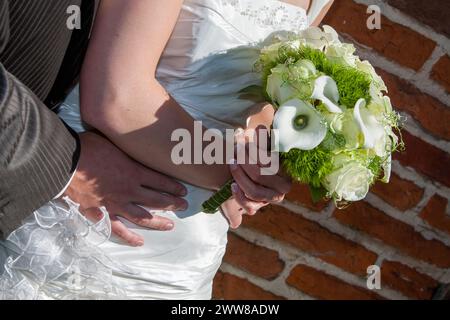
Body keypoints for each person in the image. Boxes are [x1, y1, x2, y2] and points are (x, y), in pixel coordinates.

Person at [0, 0, 333, 300]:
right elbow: (117, 98)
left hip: (189, 250)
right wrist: (236, 172)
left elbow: (262, 90)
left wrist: (261, 151)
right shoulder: (222, 170)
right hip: (99, 201)